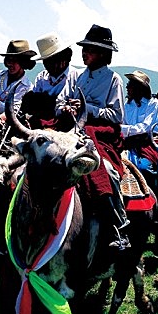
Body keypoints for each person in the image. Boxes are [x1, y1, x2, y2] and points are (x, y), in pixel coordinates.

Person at [56, 24, 129, 248]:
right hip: (74, 130)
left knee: (105, 170)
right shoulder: (77, 75)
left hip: (100, 133)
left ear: (103, 54)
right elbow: (61, 101)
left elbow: (116, 115)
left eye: (90, 49)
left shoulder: (113, 79)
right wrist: (66, 108)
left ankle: (118, 224)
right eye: (84, 48)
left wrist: (88, 109)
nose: (84, 52)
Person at [120, 70, 158, 172]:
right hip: (131, 142)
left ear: (138, 88)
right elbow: (123, 123)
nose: (127, 88)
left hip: (150, 142)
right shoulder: (127, 105)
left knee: (143, 167)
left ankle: (154, 187)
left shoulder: (153, 103)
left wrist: (122, 129)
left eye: (130, 85)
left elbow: (146, 127)